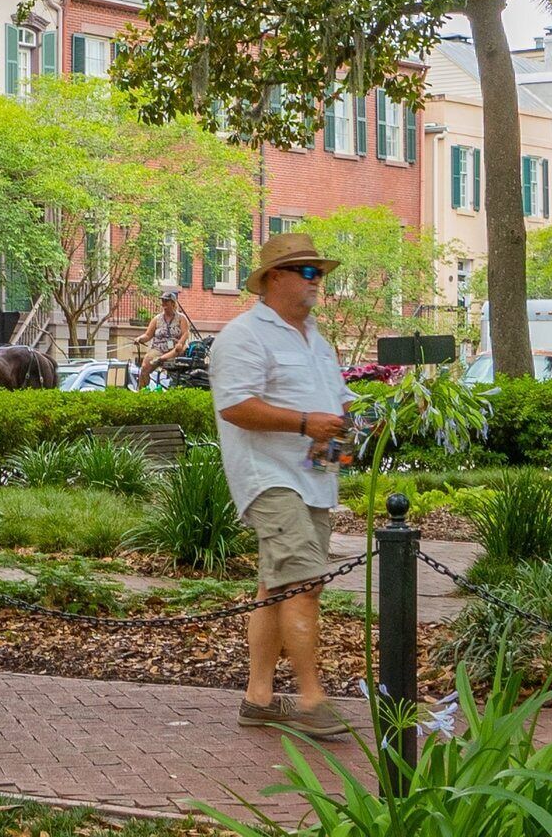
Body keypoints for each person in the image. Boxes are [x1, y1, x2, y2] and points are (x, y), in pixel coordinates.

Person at [209, 230, 357, 740]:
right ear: (275, 277)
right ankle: (313, 700)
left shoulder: (317, 339)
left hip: (314, 479)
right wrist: (305, 424)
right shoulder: (244, 336)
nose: (318, 281)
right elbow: (235, 406)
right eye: (308, 272)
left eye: (321, 273)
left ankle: (258, 698)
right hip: (268, 477)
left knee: (277, 585)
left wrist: (353, 424)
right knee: (303, 582)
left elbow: (338, 402)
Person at [139, 289, 192, 387]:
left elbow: (186, 333)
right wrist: (139, 339)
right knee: (144, 367)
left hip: (175, 348)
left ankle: (161, 359)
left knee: (177, 349)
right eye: (162, 301)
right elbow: (147, 335)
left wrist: (180, 343)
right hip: (159, 348)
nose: (163, 303)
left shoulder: (181, 318)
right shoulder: (157, 319)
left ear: (173, 303)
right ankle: (143, 390)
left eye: (166, 301)